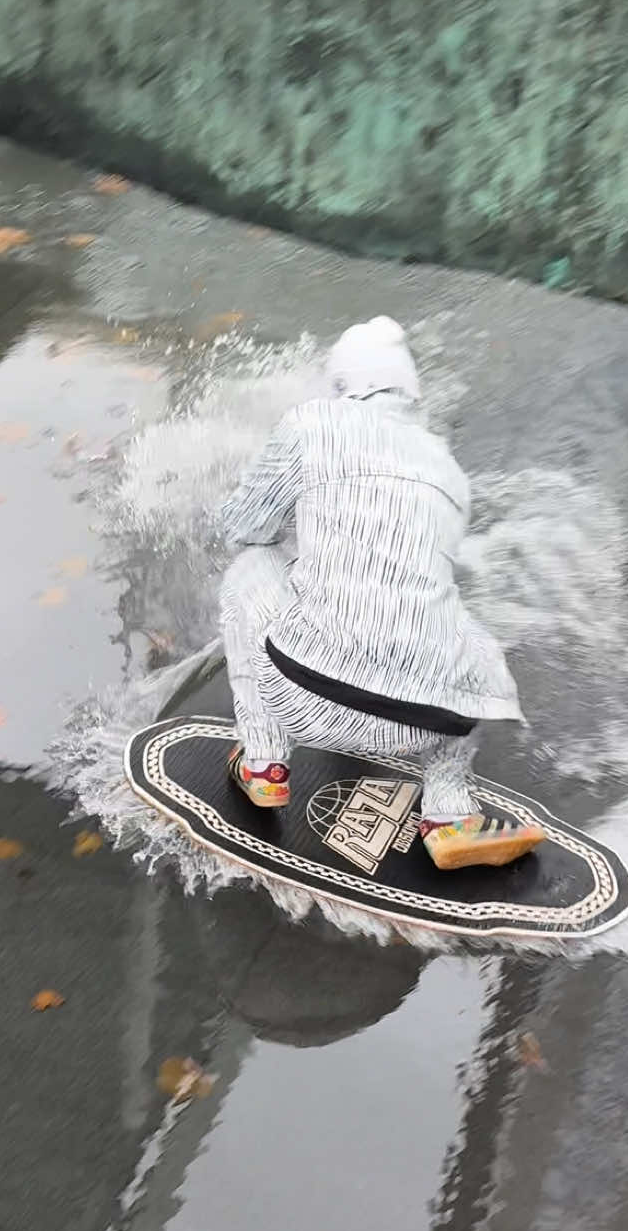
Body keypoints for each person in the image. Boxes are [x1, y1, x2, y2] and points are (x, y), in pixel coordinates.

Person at [219, 315, 545, 872]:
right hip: (430, 722)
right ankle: (449, 813)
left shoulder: (310, 424)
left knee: (248, 569)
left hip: (308, 697)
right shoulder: (450, 471)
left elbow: (245, 528)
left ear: (343, 384)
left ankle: (264, 765)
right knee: (445, 624)